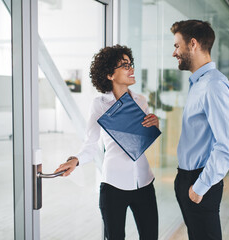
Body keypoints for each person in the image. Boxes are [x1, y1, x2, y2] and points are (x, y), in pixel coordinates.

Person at [54, 45, 159, 240]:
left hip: (144, 182)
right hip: (113, 185)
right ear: (110, 74)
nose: (131, 69)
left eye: (131, 64)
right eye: (125, 65)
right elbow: (91, 143)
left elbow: (141, 142)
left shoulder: (141, 101)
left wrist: (154, 124)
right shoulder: (99, 105)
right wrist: (75, 160)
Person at [171, 20, 229, 240]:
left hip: (200, 180)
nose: (175, 53)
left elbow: (227, 145)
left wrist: (200, 187)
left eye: (177, 46)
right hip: (188, 177)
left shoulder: (213, 85)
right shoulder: (199, 83)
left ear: (192, 44)